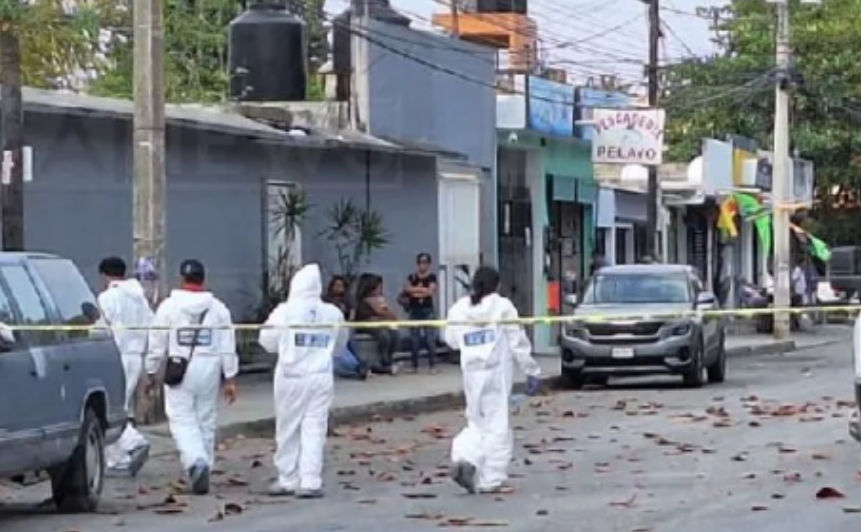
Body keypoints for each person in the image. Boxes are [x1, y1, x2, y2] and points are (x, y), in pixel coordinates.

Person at [443, 266, 542, 494]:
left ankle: (463, 457)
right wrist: (531, 370)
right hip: (496, 373)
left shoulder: (459, 308)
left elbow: (451, 341)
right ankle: (491, 479)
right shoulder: (502, 306)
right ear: (497, 285)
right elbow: (517, 341)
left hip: (472, 373)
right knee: (497, 426)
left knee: (475, 421)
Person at [144, 259, 238, 495]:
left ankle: (196, 461)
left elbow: (157, 342)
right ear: (203, 279)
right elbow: (228, 344)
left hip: (180, 367)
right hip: (210, 367)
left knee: (181, 418)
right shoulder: (218, 308)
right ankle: (205, 461)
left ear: (182, 279)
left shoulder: (169, 307)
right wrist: (230, 377)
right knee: (205, 418)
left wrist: (151, 371)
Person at [258, 263, 346, 498]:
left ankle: (288, 478)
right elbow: (340, 346)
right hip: (320, 377)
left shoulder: (284, 311)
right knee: (315, 427)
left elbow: (266, 341)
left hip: (290, 376)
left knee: (288, 428)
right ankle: (311, 481)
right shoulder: (333, 313)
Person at [97, 257, 154, 476]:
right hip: (136, 356)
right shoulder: (139, 298)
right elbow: (152, 325)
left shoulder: (107, 297)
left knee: (112, 409)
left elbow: (100, 327)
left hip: (116, 356)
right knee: (119, 406)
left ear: (105, 275)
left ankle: (132, 443)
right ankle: (117, 459)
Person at [354, 274, 401, 374]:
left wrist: (385, 312)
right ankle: (383, 361)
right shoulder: (362, 301)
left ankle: (389, 358)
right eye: (378, 287)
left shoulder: (380, 300)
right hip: (366, 325)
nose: (380, 290)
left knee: (395, 334)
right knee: (384, 336)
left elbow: (391, 316)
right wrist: (379, 312)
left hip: (380, 324)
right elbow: (367, 318)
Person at [403, 252, 438, 373]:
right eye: (420, 262)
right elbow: (407, 289)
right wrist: (422, 290)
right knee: (414, 339)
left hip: (427, 310)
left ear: (429, 264)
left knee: (430, 339)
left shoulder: (432, 277)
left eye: (425, 262)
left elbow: (430, 292)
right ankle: (414, 366)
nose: (422, 265)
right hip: (414, 310)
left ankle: (432, 365)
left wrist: (416, 292)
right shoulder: (412, 276)